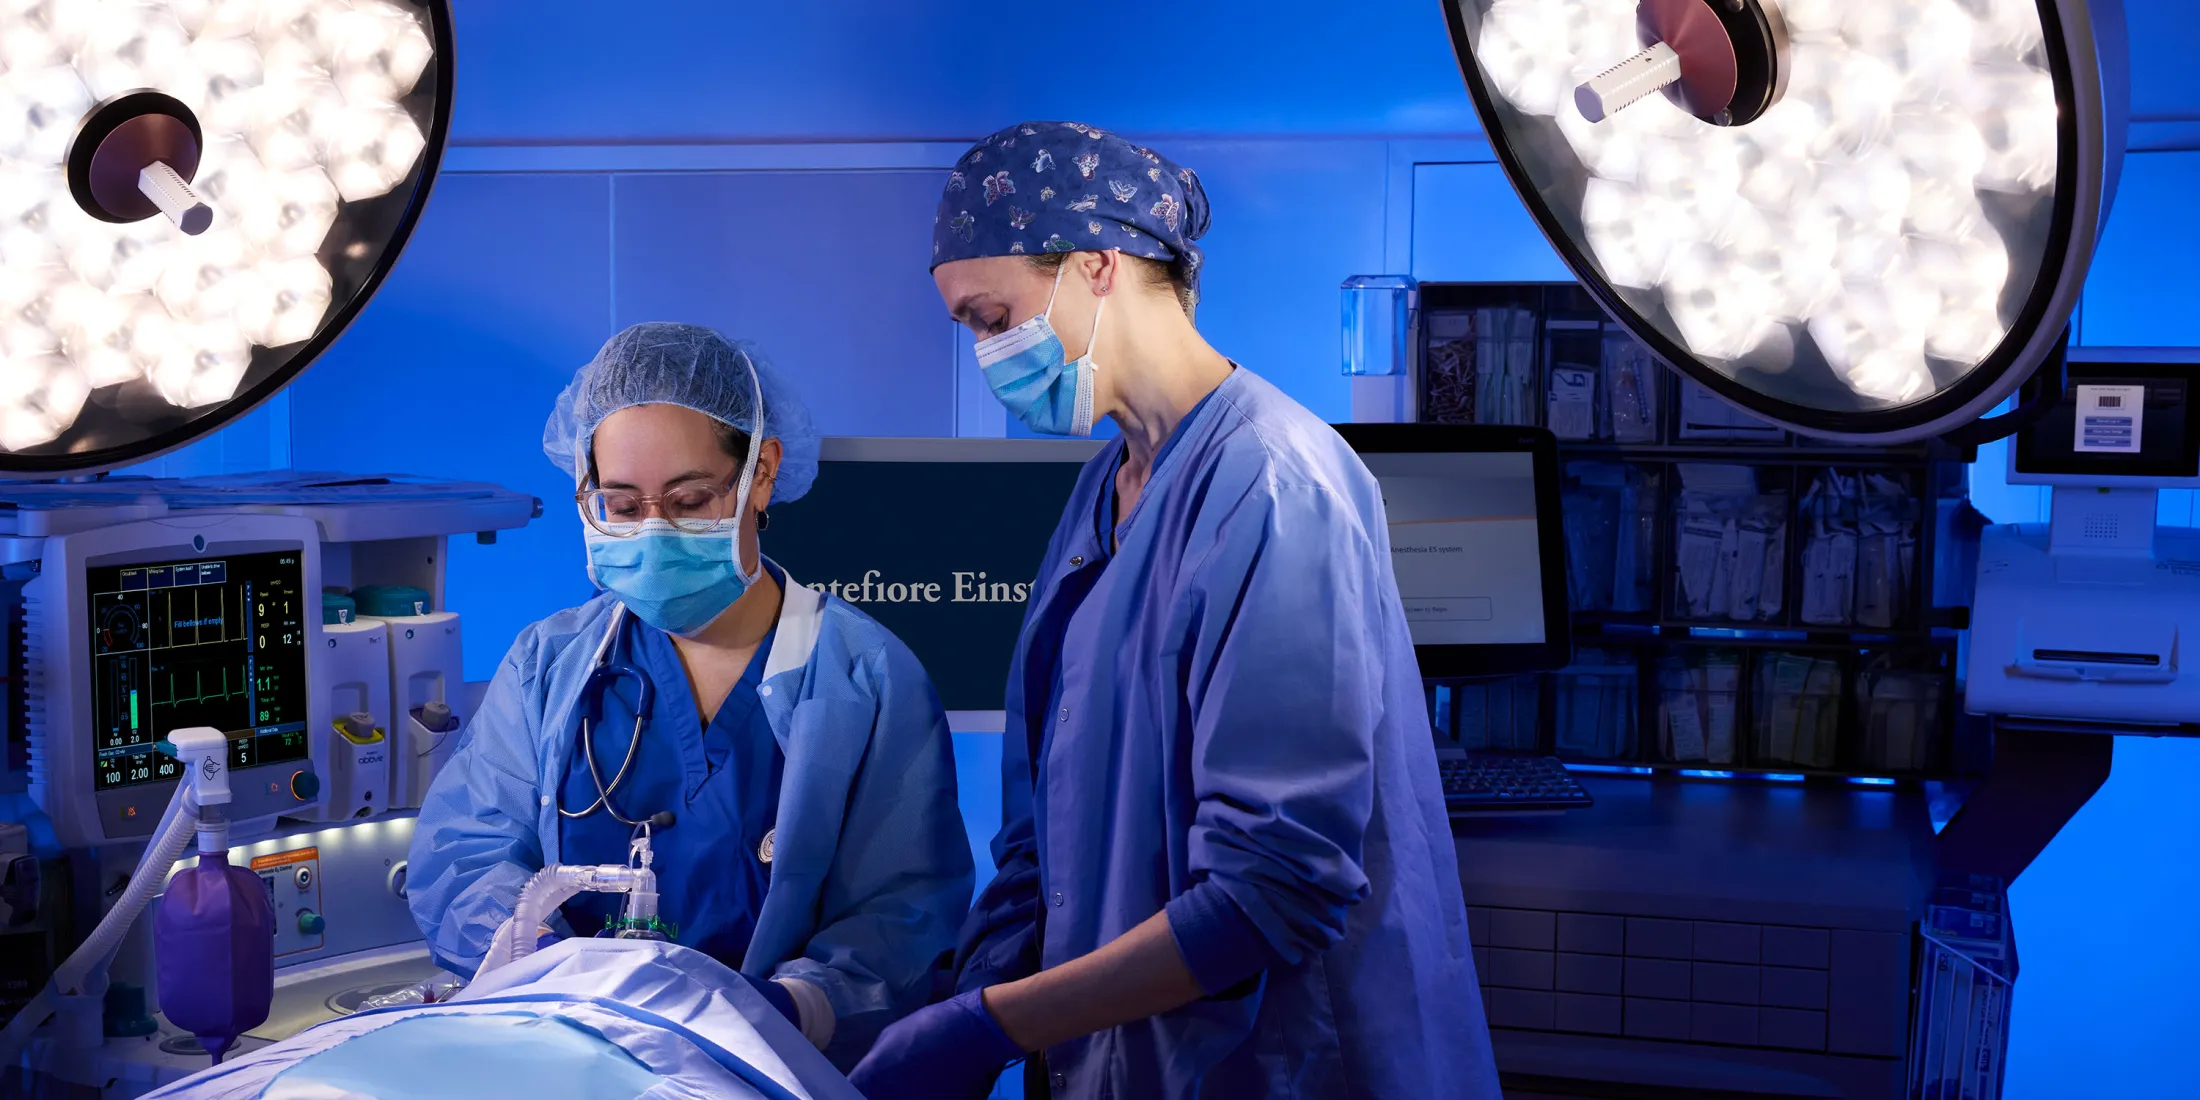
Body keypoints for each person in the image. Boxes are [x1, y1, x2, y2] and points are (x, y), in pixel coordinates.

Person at [848, 123, 1502, 1099]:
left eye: (994, 317)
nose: (988, 354)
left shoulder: (1273, 483)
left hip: (1277, 1064)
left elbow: (1271, 889)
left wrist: (992, 1025)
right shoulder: (1110, 484)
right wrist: (973, 992)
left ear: (1098, 265)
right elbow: (1048, 834)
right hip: (1118, 1060)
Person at [408, 323, 973, 1070]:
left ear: (761, 473)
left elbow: (902, 916)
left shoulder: (864, 678)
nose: (653, 530)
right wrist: (546, 965)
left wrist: (785, 1009)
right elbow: (465, 854)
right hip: (570, 1063)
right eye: (622, 503)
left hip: (770, 1073)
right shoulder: (552, 664)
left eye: (689, 498)